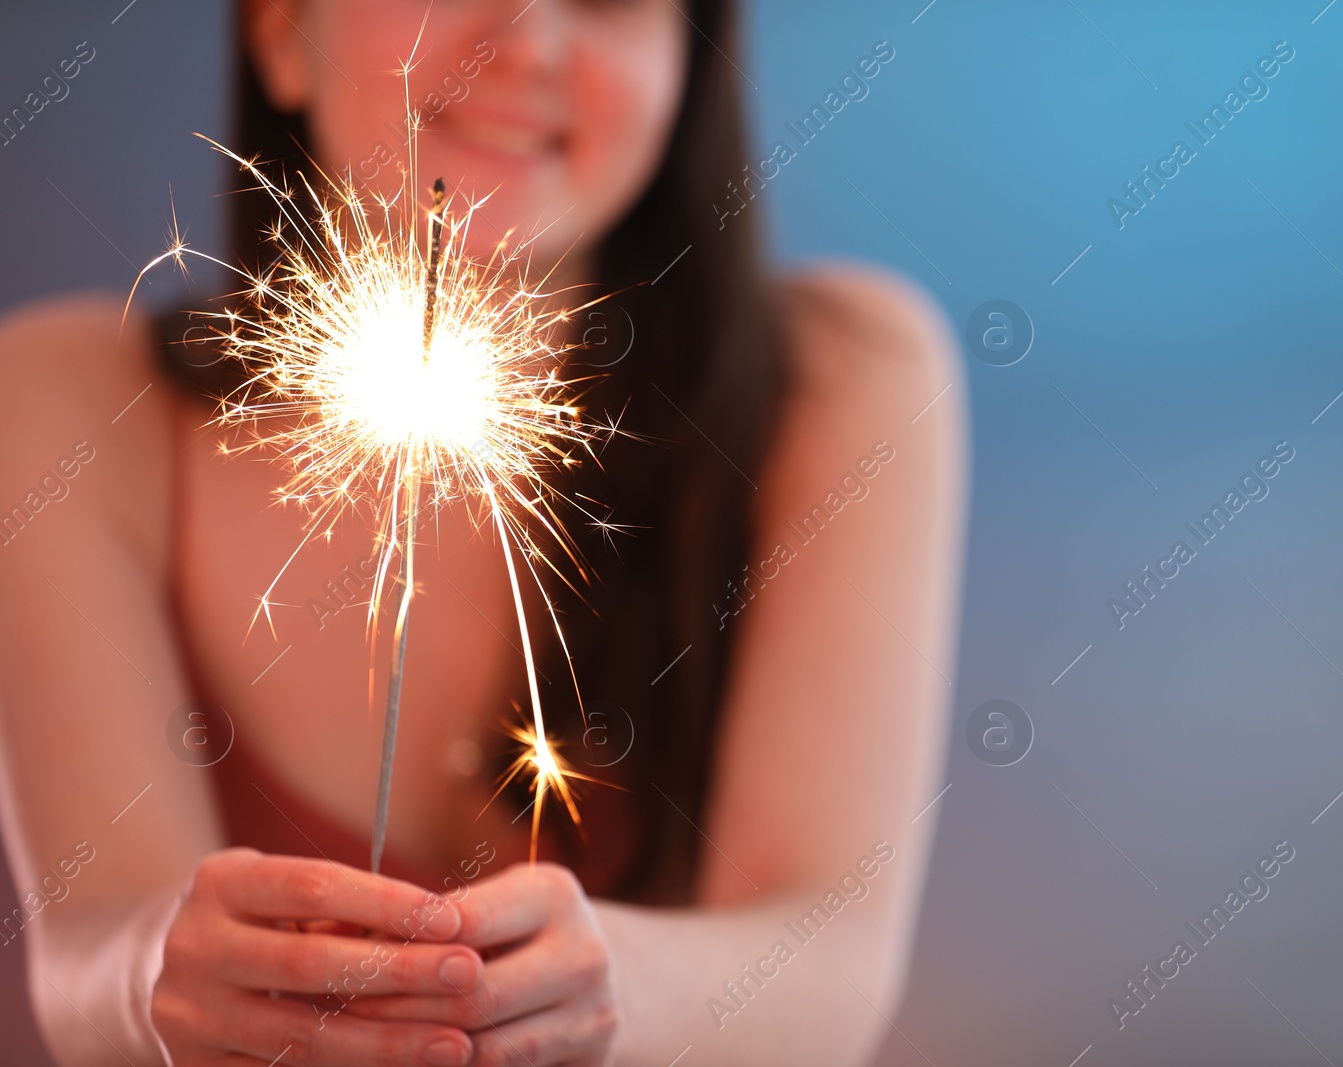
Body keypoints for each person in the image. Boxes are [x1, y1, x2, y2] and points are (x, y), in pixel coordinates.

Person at [0, 1, 966, 1064]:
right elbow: (81, 954)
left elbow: (829, 974)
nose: (527, 44)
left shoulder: (837, 385)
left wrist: (611, 995)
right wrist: (157, 976)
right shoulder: (62, 405)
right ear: (280, 29)